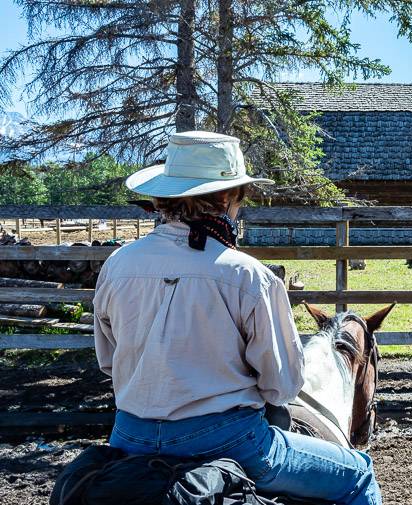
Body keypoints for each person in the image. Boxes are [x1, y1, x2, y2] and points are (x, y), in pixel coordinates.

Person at [93, 131, 381, 505]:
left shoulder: (118, 264)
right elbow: (283, 386)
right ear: (227, 197)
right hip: (230, 441)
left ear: (165, 199)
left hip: (130, 436)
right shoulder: (249, 276)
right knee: (358, 474)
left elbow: (107, 361)